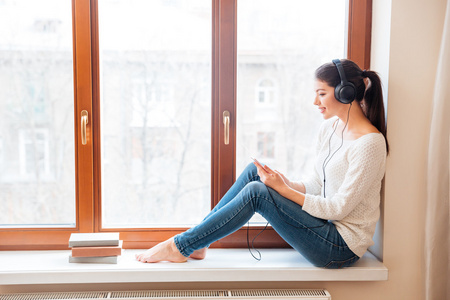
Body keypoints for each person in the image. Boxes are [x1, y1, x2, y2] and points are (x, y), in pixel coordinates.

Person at [135, 59, 388, 268]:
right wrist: (283, 183)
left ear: (346, 93)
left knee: (258, 194)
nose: (315, 102)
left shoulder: (370, 144)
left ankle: (180, 246)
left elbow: (338, 209)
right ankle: (198, 243)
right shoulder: (330, 129)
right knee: (254, 175)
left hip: (339, 247)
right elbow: (316, 184)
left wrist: (284, 191)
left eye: (321, 94)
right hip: (322, 228)